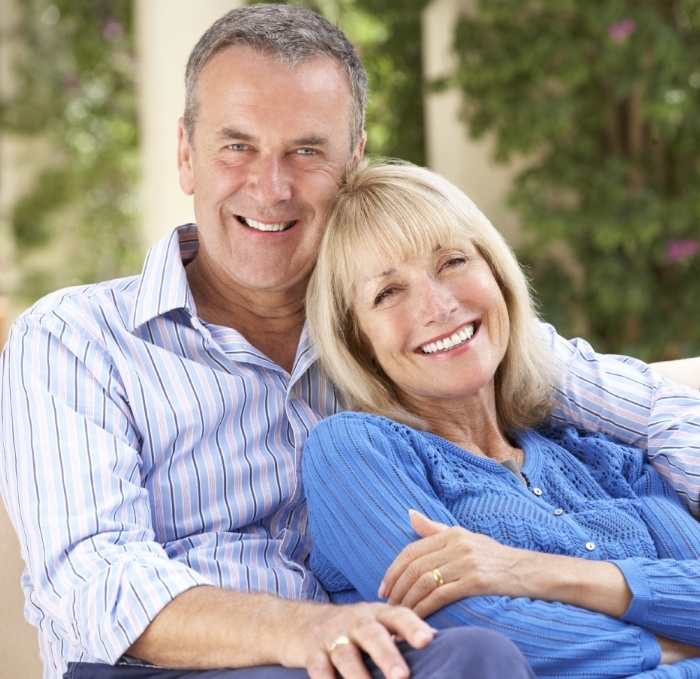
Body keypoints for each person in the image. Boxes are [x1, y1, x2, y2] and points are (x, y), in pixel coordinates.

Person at [0, 3, 698, 679]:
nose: (271, 188)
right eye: (237, 146)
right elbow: (94, 580)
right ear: (186, 153)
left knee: (473, 659)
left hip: (378, 652)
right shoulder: (75, 338)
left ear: (353, 161)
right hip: (175, 666)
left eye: (307, 151)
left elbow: (657, 412)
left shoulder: (409, 334)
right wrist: (302, 629)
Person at [301, 158, 700, 679]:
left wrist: (529, 572)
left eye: (452, 262)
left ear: (496, 274)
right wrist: (675, 643)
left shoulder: (600, 453)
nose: (438, 305)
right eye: (387, 292)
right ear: (360, 342)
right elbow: (476, 638)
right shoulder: (356, 453)